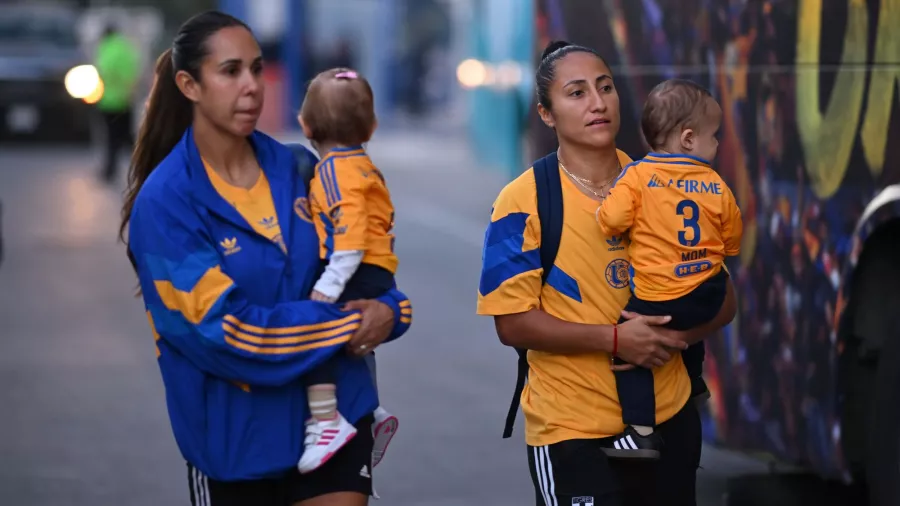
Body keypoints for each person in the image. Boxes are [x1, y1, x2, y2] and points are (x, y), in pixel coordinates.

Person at [119, 11, 412, 506]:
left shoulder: (300, 166)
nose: (252, 86)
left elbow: (364, 261)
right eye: (231, 71)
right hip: (238, 444)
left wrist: (393, 310)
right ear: (189, 84)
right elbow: (226, 332)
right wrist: (349, 325)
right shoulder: (166, 202)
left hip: (335, 425)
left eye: (257, 68)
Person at [477, 40, 736, 506]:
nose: (597, 103)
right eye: (576, 93)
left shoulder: (664, 183)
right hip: (573, 433)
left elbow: (724, 300)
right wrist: (617, 341)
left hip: (670, 421)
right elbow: (511, 323)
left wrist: (669, 338)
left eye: (606, 87)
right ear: (547, 113)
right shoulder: (522, 200)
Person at [596, 78, 743, 458]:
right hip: (709, 292)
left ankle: (640, 431)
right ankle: (692, 382)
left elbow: (611, 221)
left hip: (658, 298)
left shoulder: (638, 177)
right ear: (689, 139)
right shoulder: (715, 183)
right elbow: (733, 236)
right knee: (688, 330)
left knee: (627, 344)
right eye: (715, 137)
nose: (717, 144)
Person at [293, 67, 399, 474]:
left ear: (305, 126)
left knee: (315, 336)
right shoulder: (363, 165)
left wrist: (331, 281)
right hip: (376, 269)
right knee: (348, 346)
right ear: (371, 127)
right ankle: (369, 413)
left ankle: (327, 423)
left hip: (354, 268)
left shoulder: (334, 171)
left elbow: (350, 232)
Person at [94, 24, 141, 184]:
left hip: (109, 101)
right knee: (127, 136)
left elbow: (104, 72)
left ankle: (109, 171)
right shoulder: (125, 49)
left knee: (112, 137)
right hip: (125, 99)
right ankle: (144, 165)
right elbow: (133, 72)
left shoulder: (106, 49)